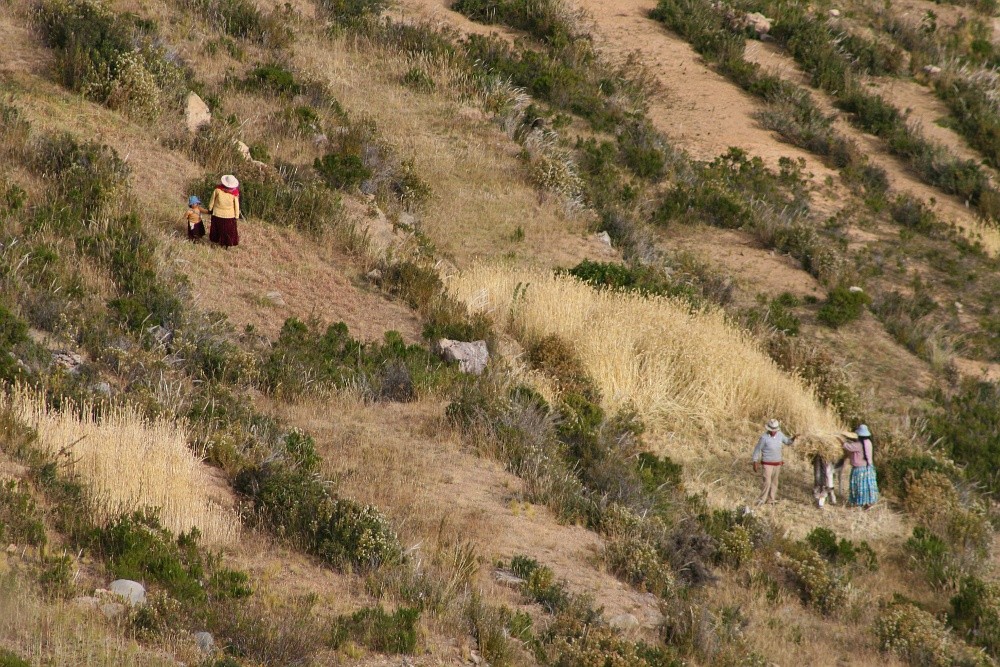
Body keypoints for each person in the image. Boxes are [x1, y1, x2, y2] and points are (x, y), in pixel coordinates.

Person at [751, 418, 796, 505]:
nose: (773, 431)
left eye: (774, 430)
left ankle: (771, 499)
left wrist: (793, 438)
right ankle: (762, 499)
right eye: (772, 430)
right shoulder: (764, 438)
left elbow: (788, 442)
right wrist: (755, 461)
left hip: (777, 463)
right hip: (767, 463)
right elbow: (757, 449)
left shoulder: (780, 435)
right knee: (767, 481)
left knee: (774, 482)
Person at [843, 424, 879, 509]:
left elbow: (847, 446)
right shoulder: (868, 442)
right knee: (868, 486)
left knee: (859, 487)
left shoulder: (858, 445)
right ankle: (869, 503)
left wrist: (841, 440)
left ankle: (860, 503)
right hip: (868, 468)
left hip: (859, 469)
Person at [208, 174, 240, 248]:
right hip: (229, 216)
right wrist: (237, 215)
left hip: (217, 213)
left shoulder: (217, 190)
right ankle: (226, 244)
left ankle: (215, 242)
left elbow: (212, 200)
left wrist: (210, 209)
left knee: (216, 229)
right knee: (227, 231)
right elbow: (236, 206)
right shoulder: (234, 194)